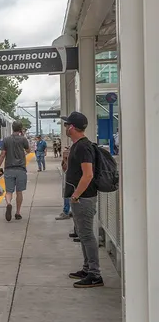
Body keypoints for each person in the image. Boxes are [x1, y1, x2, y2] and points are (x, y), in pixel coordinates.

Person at [62, 111, 103, 288]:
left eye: (66, 125)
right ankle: (87, 268)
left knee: (87, 235)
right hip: (80, 198)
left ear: (72, 127)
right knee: (83, 234)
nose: (64, 127)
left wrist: (76, 195)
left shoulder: (84, 147)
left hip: (84, 198)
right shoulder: (77, 146)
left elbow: (88, 175)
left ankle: (95, 274)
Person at [0, 121, 30, 222]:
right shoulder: (23, 139)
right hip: (21, 169)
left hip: (9, 169)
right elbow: (29, 151)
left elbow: (2, 154)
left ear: (12, 128)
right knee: (19, 192)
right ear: (20, 129)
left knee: (9, 191)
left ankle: (9, 204)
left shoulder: (6, 140)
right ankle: (18, 213)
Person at [55, 145, 72, 220]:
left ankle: (66, 211)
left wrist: (66, 160)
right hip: (71, 180)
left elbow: (66, 169)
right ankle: (69, 210)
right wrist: (65, 159)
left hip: (72, 181)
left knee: (67, 194)